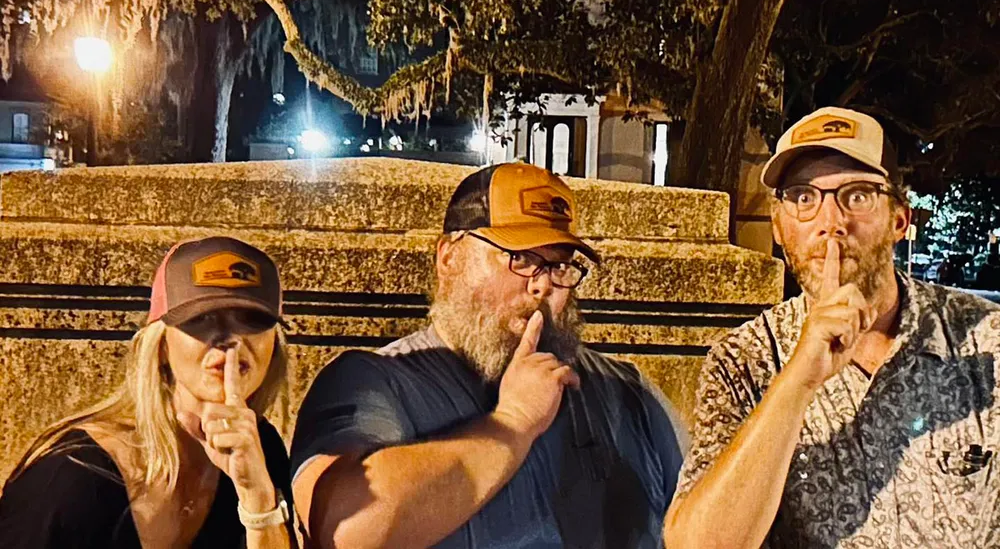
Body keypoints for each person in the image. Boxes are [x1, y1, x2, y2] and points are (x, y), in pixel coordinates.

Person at [291, 162, 685, 548]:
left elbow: (704, 522)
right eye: (521, 259)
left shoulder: (626, 391)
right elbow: (345, 528)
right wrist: (512, 424)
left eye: (559, 265)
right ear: (449, 258)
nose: (542, 286)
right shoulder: (376, 382)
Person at [664, 107, 1000, 548]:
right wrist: (799, 378)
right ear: (780, 227)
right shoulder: (745, 361)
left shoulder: (986, 342)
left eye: (857, 195)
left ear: (900, 219)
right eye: (803, 198)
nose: (831, 223)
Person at [0, 236, 297, 548]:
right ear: (162, 345)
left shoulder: (259, 450)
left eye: (251, 319)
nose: (229, 339)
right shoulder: (71, 479)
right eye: (202, 318)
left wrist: (258, 498)